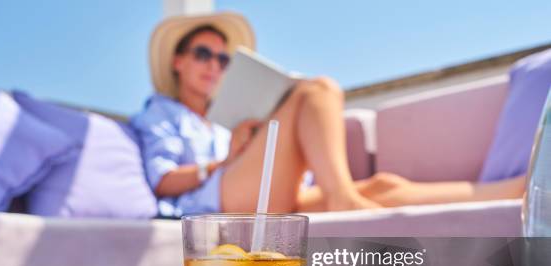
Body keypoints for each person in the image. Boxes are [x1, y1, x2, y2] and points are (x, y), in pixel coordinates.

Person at [131, 12, 527, 217]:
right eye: (203, 54)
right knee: (316, 89)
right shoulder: (161, 113)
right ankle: (345, 204)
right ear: (178, 61)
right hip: (214, 205)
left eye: (222, 57)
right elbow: (162, 180)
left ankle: (519, 190)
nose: (215, 64)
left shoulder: (224, 116)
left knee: (383, 186)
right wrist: (229, 159)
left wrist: (246, 146)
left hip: (261, 190)